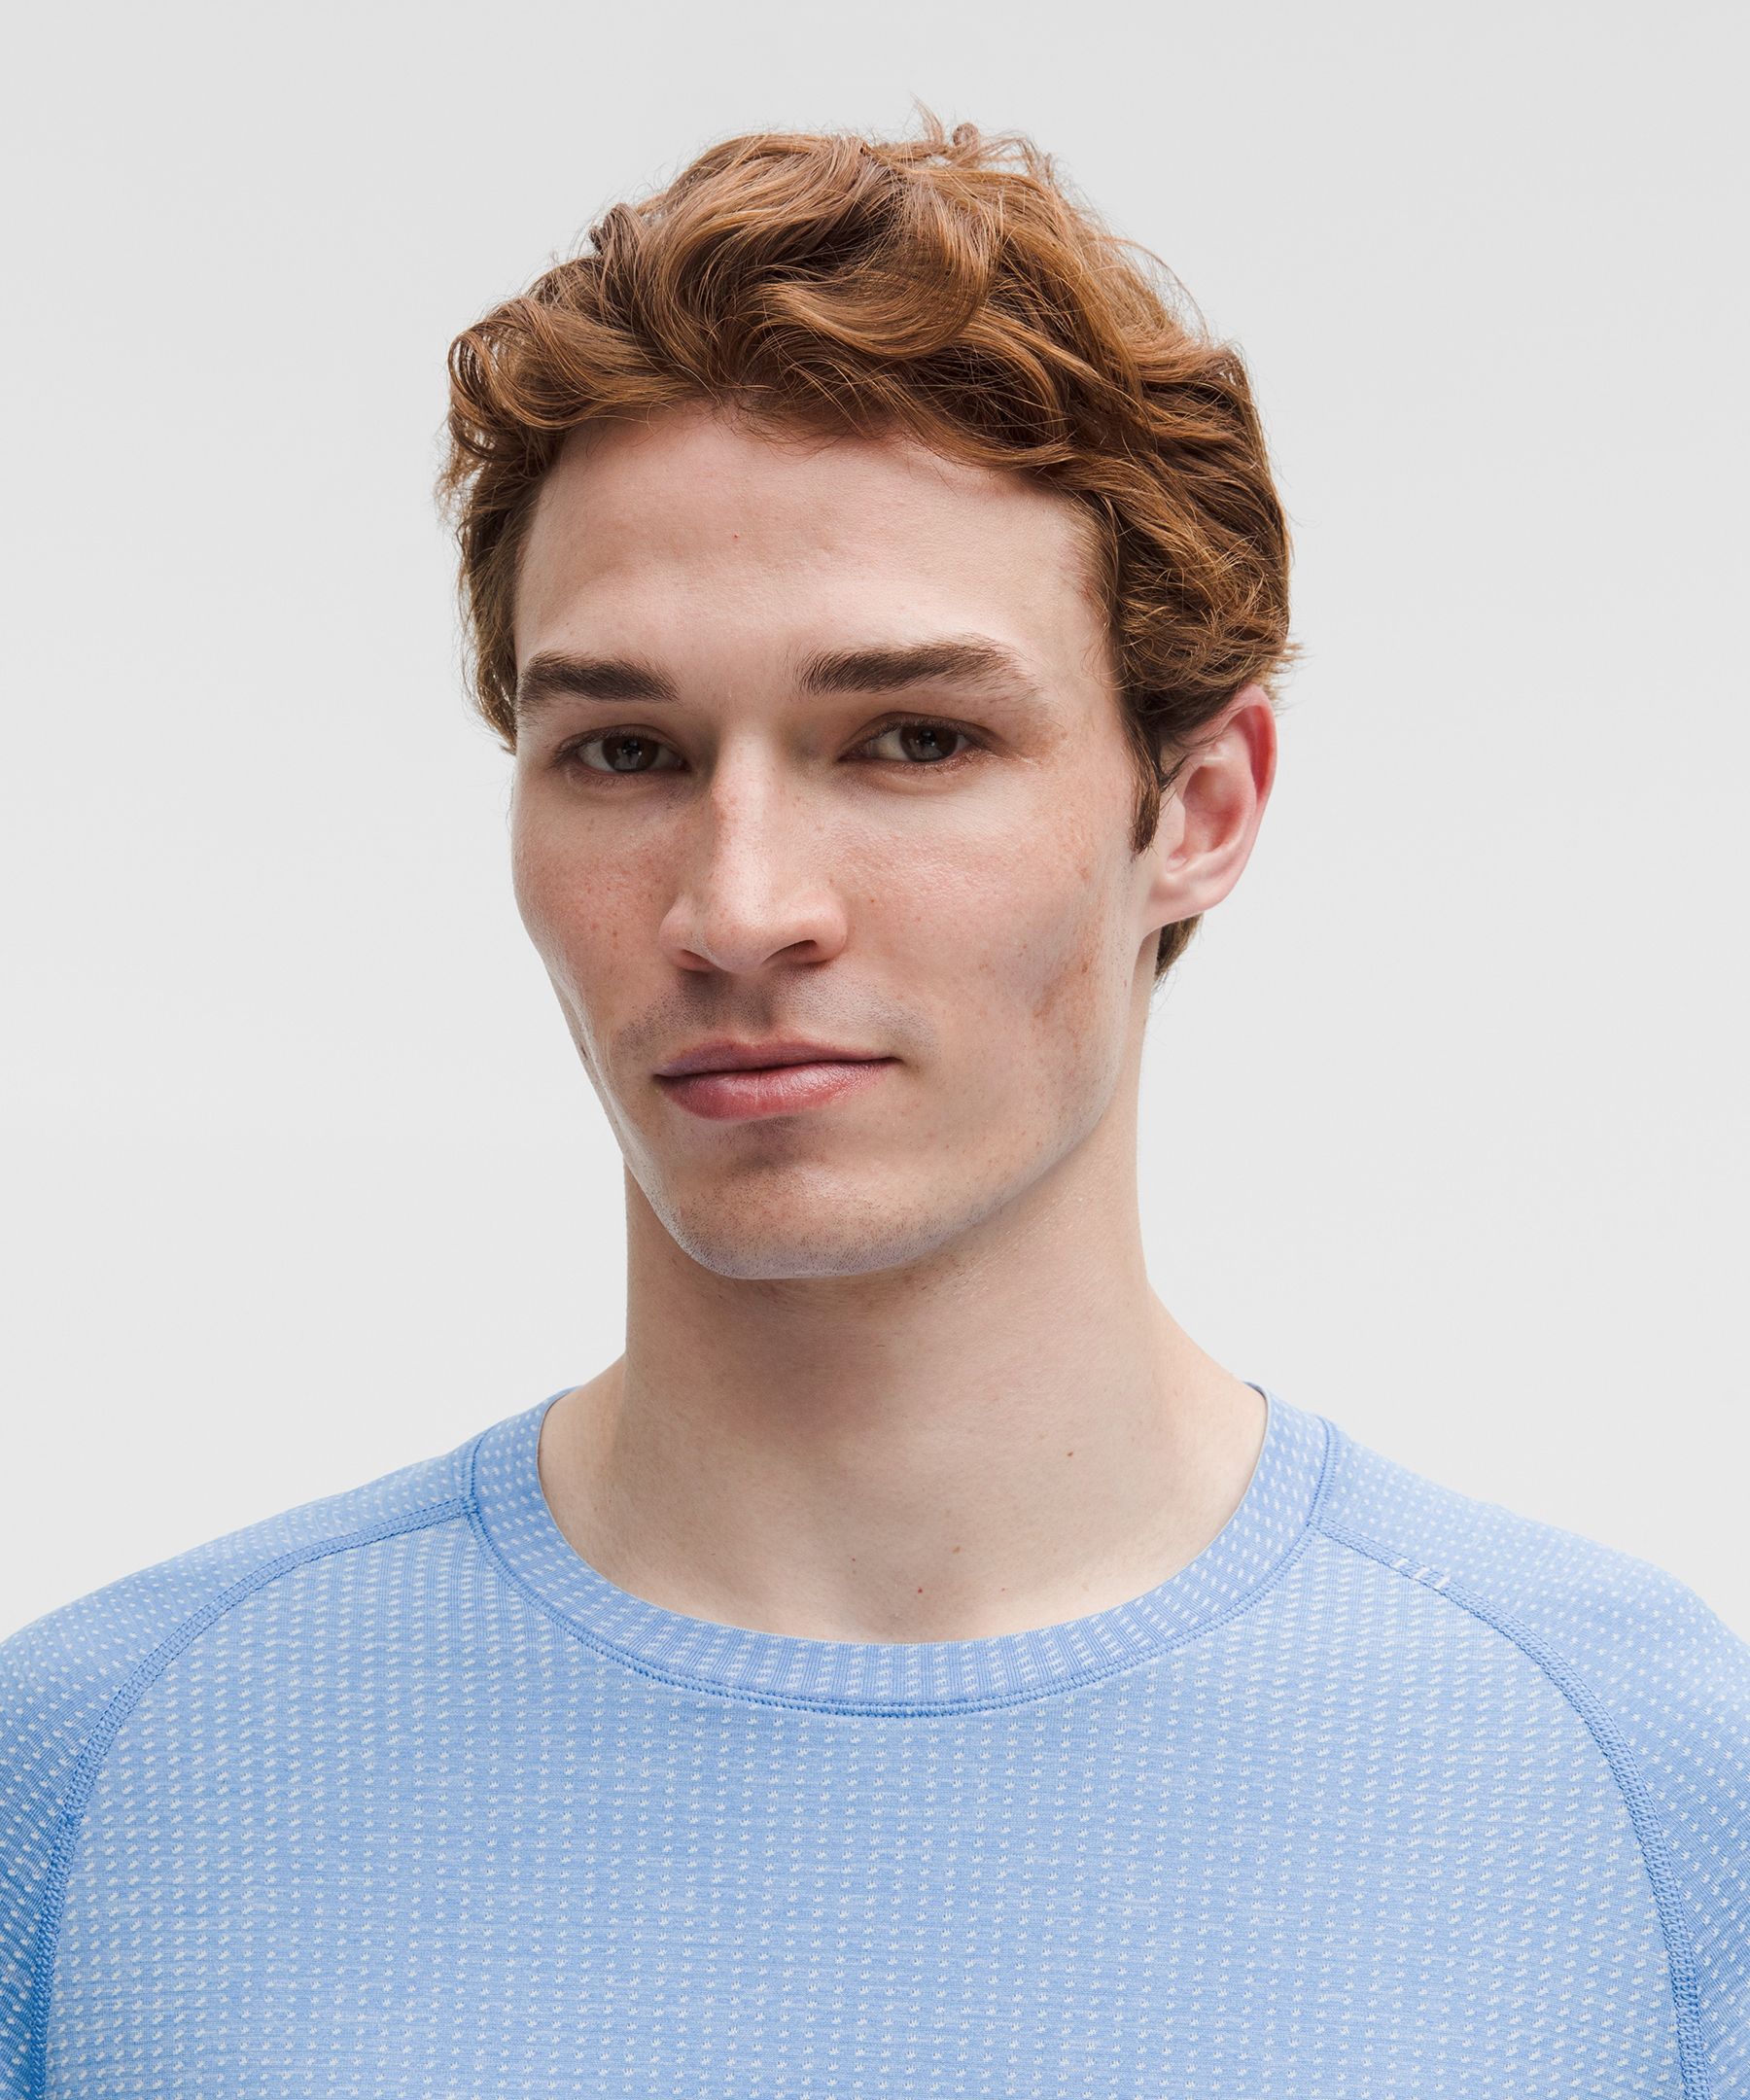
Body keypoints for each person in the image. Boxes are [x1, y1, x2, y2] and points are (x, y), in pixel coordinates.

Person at [3, 114, 1746, 2100]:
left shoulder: (1643, 1802)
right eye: (626, 752)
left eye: (912, 739)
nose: (740, 907)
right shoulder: (100, 1792)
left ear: (1198, 807)